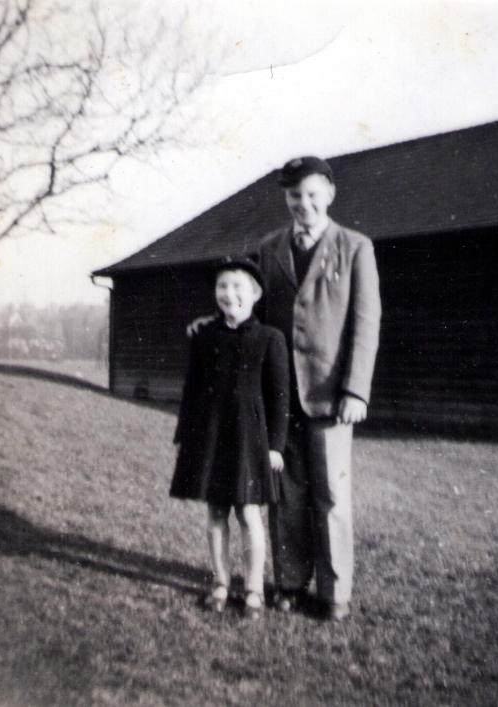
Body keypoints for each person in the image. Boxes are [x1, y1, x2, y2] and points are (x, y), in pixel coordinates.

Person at [259, 156, 381, 621]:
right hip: (280, 395)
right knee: (286, 494)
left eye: (312, 194)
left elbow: (366, 323)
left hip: (331, 395)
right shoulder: (269, 248)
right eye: (294, 196)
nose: (303, 204)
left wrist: (357, 390)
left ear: (329, 193)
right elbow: (255, 310)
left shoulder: (355, 247)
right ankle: (288, 582)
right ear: (285, 198)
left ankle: (335, 593)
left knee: (331, 494)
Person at [169, 257, 290, 619]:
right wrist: (184, 435)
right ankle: (221, 583)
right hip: (209, 436)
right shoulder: (204, 335)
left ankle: (253, 589)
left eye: (238, 287)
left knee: (249, 513)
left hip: (250, 440)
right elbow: (192, 387)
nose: (228, 293)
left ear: (254, 294)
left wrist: (276, 447)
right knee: (215, 511)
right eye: (222, 286)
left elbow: (280, 397)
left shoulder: (271, 339)